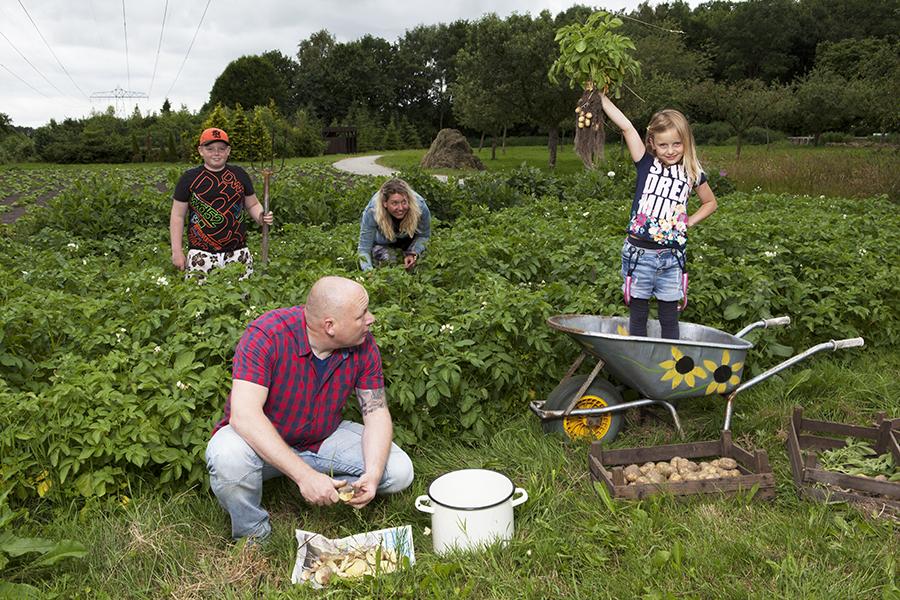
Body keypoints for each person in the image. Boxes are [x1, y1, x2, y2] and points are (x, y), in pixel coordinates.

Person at [205, 275, 415, 541]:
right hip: (262, 446)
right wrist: (304, 476)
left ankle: (327, 488)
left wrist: (372, 475)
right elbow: (244, 416)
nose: (370, 319)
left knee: (398, 471)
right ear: (330, 326)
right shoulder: (267, 335)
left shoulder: (364, 344)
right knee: (228, 456)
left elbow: (375, 412)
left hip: (321, 439)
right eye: (362, 315)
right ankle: (253, 537)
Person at [600, 95, 717, 339]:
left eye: (677, 144)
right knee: (639, 314)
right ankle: (638, 362)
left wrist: (690, 221)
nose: (670, 150)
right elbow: (626, 126)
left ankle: (668, 366)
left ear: (686, 142)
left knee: (669, 316)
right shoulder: (646, 163)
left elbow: (710, 202)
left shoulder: (692, 171)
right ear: (652, 143)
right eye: (663, 145)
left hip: (672, 257)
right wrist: (601, 97)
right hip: (639, 253)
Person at [169, 127, 274, 280]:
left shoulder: (239, 175)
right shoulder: (189, 178)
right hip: (201, 255)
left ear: (228, 150)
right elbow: (177, 216)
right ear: (200, 150)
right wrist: (177, 251)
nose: (216, 153)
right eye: (210, 149)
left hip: (238, 253)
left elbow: (252, 204)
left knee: (242, 299)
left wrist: (261, 216)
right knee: (201, 300)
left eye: (221, 149)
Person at [358, 178, 431, 272]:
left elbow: (424, 235)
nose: (400, 208)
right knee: (386, 261)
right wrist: (369, 272)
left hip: (410, 238)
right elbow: (364, 249)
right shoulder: (372, 210)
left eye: (404, 202)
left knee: (421, 262)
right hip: (384, 241)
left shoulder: (420, 206)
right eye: (394, 203)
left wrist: (413, 253)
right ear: (385, 203)